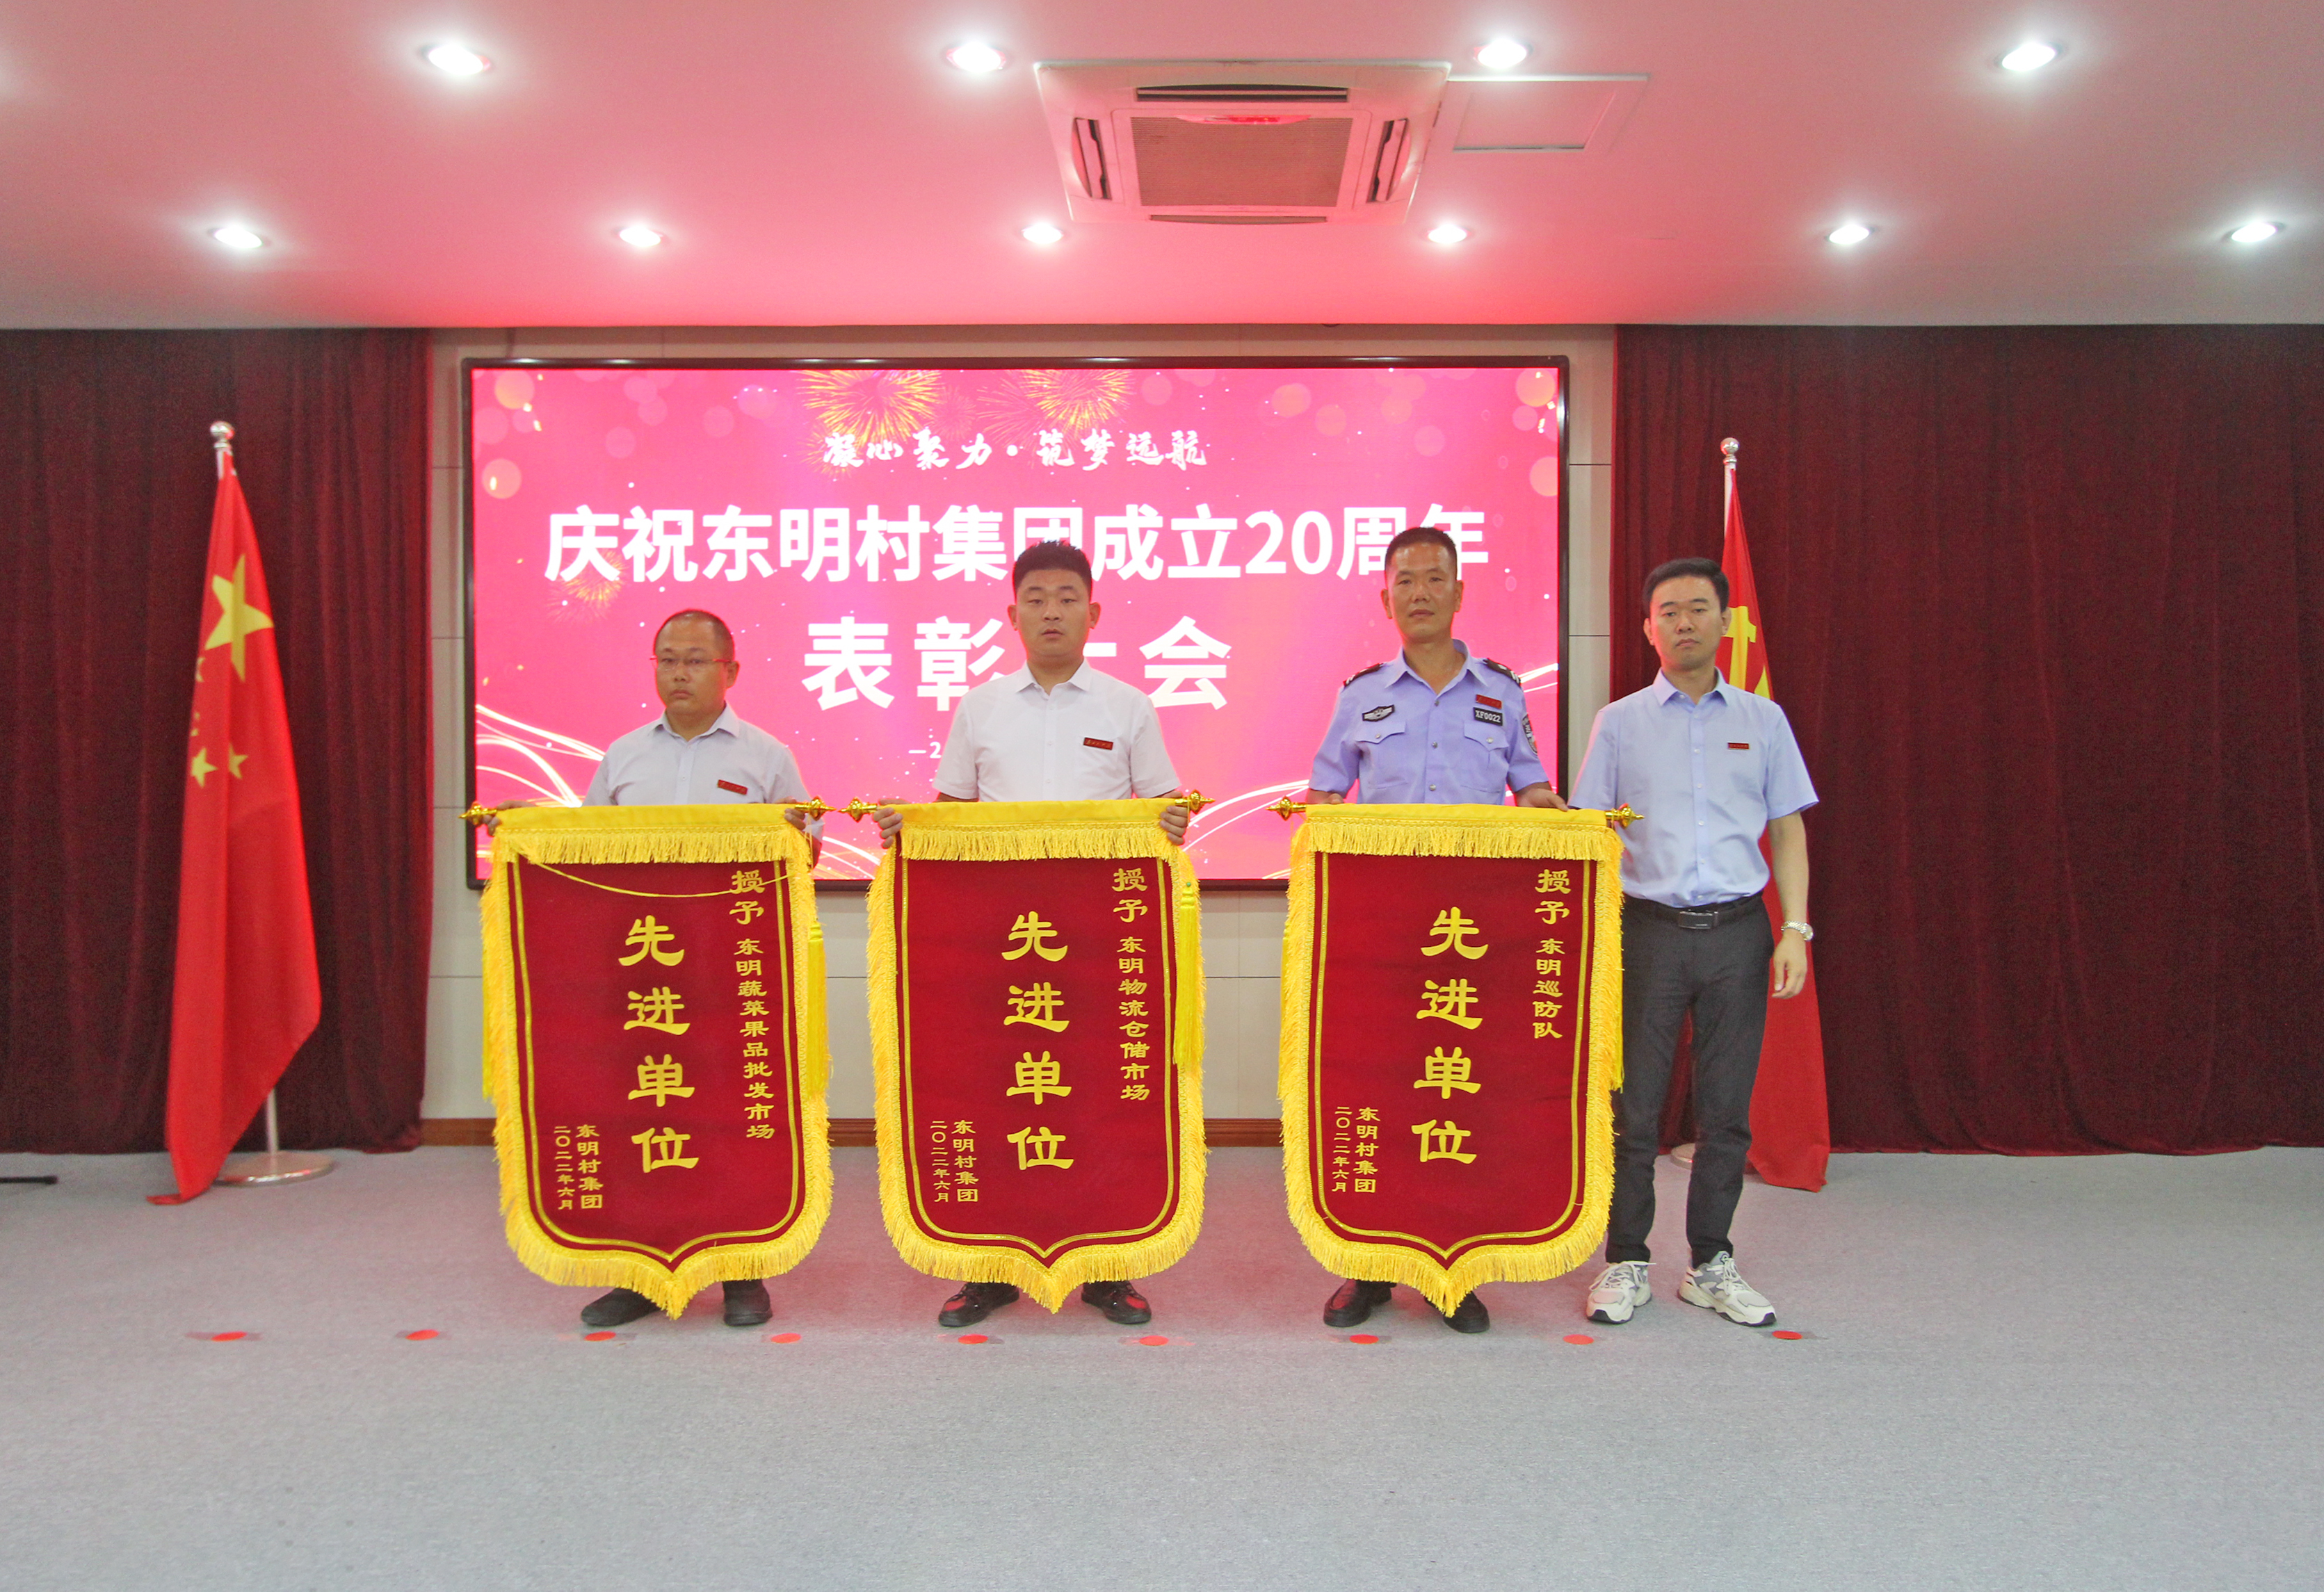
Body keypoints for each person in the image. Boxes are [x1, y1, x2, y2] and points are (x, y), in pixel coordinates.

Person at [873, 540, 1189, 1331]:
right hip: (1001, 943)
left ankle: (1108, 1268)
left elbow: (1165, 808)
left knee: (1100, 1094)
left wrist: (1173, 822)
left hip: (1096, 943)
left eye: (1067, 598)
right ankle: (989, 1269)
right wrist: (909, 828)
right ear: (1012, 615)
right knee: (995, 1091)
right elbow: (950, 813)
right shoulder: (980, 706)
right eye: (1037, 599)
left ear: (1094, 612)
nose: (1052, 611)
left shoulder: (1128, 706)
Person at [1304, 525, 1566, 1335]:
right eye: (1405, 580)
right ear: (1385, 597)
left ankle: (1458, 1269)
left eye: (1434, 578)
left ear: (1459, 592)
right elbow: (1323, 799)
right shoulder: (1360, 695)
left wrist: (1570, 824)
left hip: (1473, 937)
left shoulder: (1503, 693)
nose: (1419, 592)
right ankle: (1370, 1267)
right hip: (1384, 935)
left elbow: (1533, 790)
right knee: (1381, 1088)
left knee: (1465, 1090)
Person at [1569, 557, 1816, 1329]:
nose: (1684, 622)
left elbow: (1787, 827)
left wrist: (1796, 928)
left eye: (1698, 608)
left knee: (1726, 1112)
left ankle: (1711, 1261)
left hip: (1740, 933)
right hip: (1648, 933)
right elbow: (1590, 833)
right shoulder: (1620, 722)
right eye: (1669, 611)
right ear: (1648, 627)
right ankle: (1625, 1260)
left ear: (1724, 621)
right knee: (1634, 1112)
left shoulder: (1763, 720)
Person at [574, 608, 820, 1331]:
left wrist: (793, 840)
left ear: (729, 671)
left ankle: (742, 1273)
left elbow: (805, 855)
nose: (679, 673)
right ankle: (643, 1274)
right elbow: (583, 850)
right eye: (668, 659)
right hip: (641, 975)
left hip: (727, 974)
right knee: (645, 1115)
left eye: (695, 660)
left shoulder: (766, 756)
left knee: (731, 1118)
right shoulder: (623, 756)